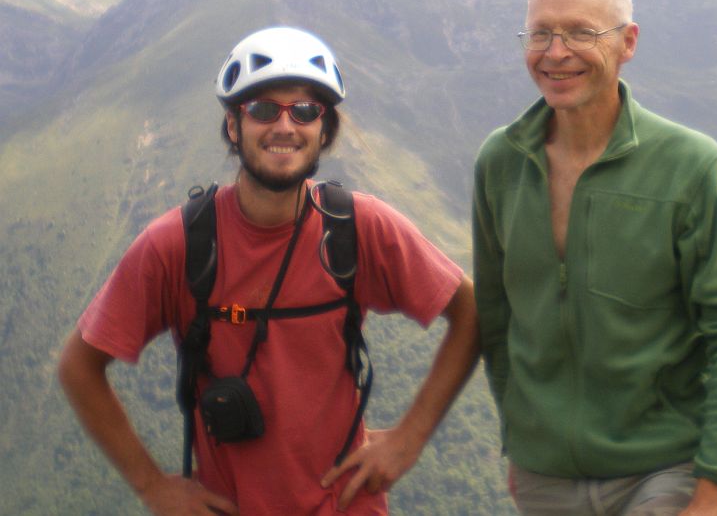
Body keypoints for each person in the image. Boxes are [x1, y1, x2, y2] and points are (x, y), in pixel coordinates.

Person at [58, 26, 479, 515]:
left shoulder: (359, 228)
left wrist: (410, 438)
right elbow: (78, 366)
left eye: (305, 111)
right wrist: (151, 485)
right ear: (233, 125)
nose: (284, 126)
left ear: (325, 130)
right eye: (262, 109)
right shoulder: (176, 245)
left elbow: (470, 310)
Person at [472, 0, 717, 516]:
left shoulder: (693, 167)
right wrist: (522, 436)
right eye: (540, 33)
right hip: (545, 480)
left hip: (663, 469)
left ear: (628, 42)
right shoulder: (501, 161)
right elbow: (496, 314)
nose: (555, 52)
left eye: (580, 32)